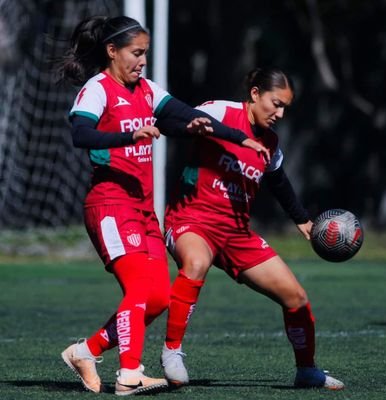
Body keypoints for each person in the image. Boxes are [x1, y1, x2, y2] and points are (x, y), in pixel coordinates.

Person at [57, 16, 268, 396]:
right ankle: (129, 374)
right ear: (111, 51)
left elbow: (187, 115)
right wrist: (129, 134)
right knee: (139, 287)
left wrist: (236, 136)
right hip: (109, 205)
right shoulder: (98, 89)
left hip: (142, 209)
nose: (142, 61)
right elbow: (80, 134)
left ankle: (85, 351)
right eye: (136, 53)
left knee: (158, 297)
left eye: (145, 54)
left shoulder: (147, 90)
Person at [157, 67, 345, 390]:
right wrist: (190, 127)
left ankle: (307, 370)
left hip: (236, 234)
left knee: (296, 297)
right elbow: (167, 123)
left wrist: (302, 219)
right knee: (196, 263)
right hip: (191, 219)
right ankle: (172, 352)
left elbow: (278, 181)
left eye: (285, 107)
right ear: (255, 94)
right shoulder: (220, 111)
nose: (280, 113)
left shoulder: (270, 142)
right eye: (276, 103)